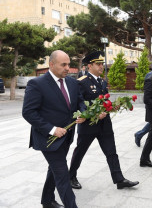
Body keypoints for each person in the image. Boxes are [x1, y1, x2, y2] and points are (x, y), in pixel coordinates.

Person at [22, 50, 87, 208]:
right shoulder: (36, 84)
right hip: (48, 138)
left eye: (69, 64)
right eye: (63, 64)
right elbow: (28, 112)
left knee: (55, 168)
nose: (67, 68)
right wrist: (52, 129)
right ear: (51, 64)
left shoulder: (72, 82)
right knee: (62, 174)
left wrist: (83, 113)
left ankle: (47, 200)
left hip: (67, 136)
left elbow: (80, 102)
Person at [69, 51, 139, 190]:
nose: (101, 67)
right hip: (88, 125)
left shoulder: (102, 81)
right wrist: (90, 115)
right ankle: (71, 176)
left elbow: (104, 101)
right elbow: (80, 102)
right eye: (98, 64)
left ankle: (119, 179)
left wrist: (112, 107)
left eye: (102, 64)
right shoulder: (81, 82)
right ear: (90, 66)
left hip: (105, 124)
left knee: (111, 151)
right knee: (80, 151)